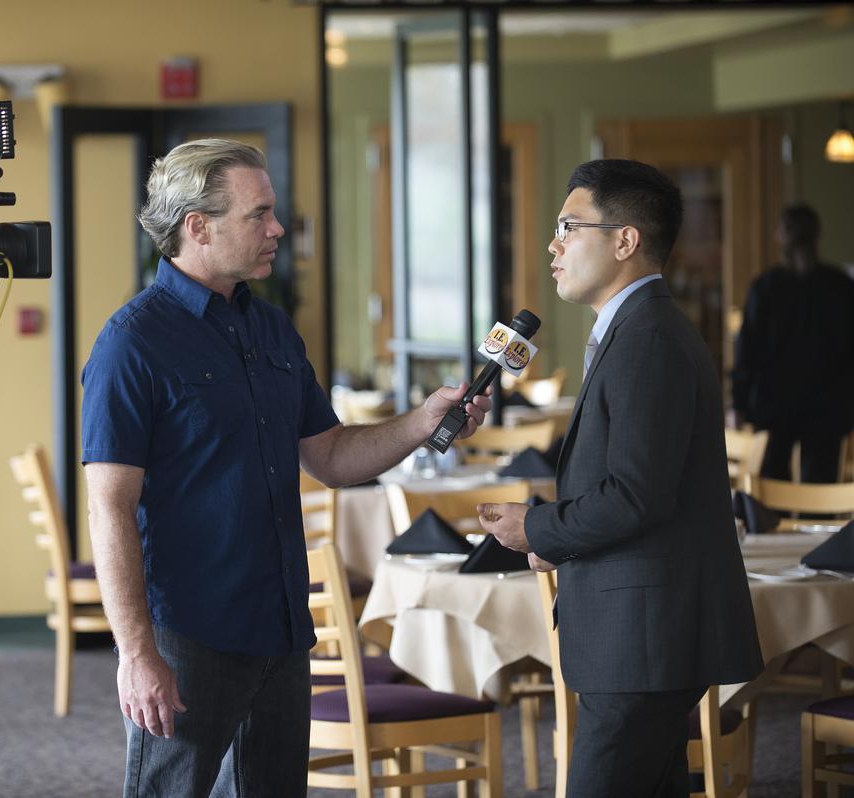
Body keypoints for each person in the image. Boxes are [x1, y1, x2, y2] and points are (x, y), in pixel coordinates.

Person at [80, 138, 491, 797]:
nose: (277, 229)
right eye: (259, 214)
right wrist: (136, 654)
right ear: (198, 226)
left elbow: (328, 456)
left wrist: (421, 422)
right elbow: (109, 507)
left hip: (280, 627)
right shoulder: (132, 343)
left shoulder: (271, 330)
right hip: (188, 633)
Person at [478, 159, 763, 798]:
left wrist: (539, 528)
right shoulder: (633, 330)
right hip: (639, 629)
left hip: (645, 634)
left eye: (568, 226)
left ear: (625, 240)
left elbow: (637, 494)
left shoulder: (648, 338)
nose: (553, 245)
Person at [732, 202, 854, 482]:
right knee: (821, 490)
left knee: (772, 488)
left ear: (785, 235)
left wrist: (738, 402)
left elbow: (747, 349)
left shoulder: (766, 287)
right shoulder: (840, 286)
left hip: (777, 402)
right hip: (827, 403)